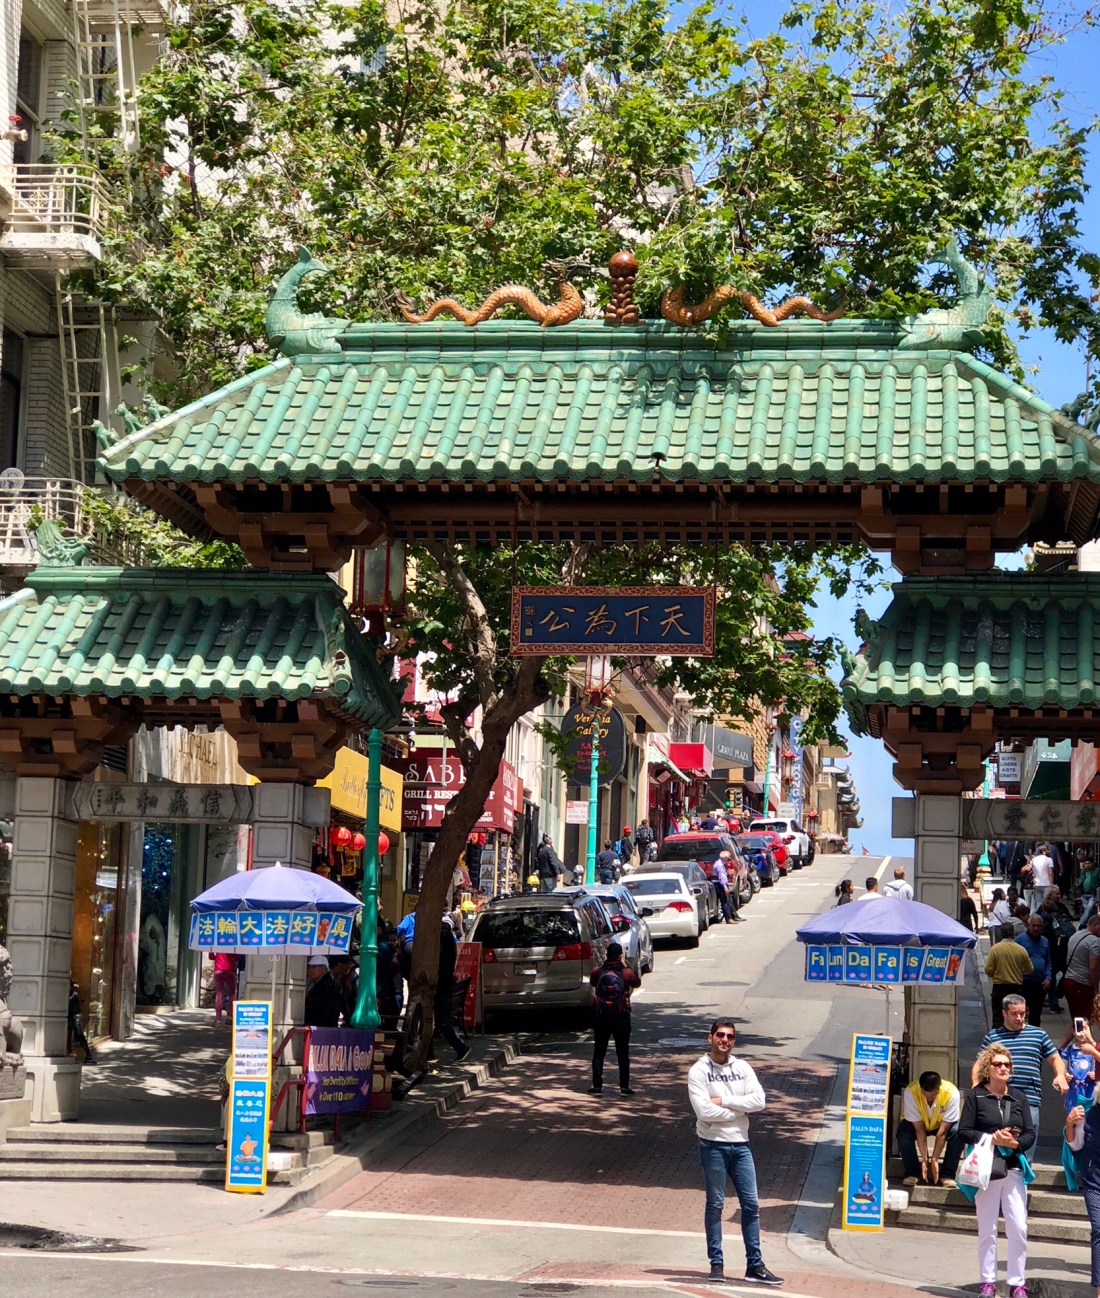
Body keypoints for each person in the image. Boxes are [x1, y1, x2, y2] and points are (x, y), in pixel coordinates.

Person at [688, 1018, 783, 1287]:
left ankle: (755, 1266)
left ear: (734, 1041)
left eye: (730, 1036)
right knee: (715, 1204)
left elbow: (759, 1101)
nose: (725, 1040)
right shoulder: (698, 1071)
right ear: (710, 1038)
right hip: (712, 1145)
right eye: (720, 1035)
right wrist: (739, 1111)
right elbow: (703, 1111)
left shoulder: (742, 1067)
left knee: (751, 1205)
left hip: (741, 1145)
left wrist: (724, 1101)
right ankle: (716, 1264)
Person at [960, 1043, 1036, 1298]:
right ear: (988, 1068)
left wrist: (1014, 1143)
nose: (1003, 1068)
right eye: (998, 1064)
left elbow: (1030, 1133)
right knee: (987, 1229)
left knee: (1019, 1227)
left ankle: (1017, 1283)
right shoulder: (976, 1096)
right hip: (987, 1170)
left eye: (1007, 1064)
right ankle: (988, 1282)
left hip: (1013, 1168)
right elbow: (964, 1131)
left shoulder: (1019, 1097)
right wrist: (991, 1139)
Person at [976, 993, 1069, 1132]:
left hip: (1029, 1101)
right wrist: (976, 1092)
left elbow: (1055, 1058)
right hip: (999, 1100)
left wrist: (1060, 1075)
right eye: (1014, 1014)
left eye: (1022, 1013)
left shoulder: (1038, 1034)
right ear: (1004, 1013)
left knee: (1026, 1143)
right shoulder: (993, 1036)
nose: (1019, 1018)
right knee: (997, 1144)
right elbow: (979, 1066)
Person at [588, 940, 641, 1096]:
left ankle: (597, 1086)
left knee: (599, 1051)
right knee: (622, 1052)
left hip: (601, 1016)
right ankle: (624, 1087)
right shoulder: (626, 973)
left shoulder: (598, 971)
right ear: (619, 956)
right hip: (621, 1016)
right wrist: (625, 965)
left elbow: (593, 983)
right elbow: (637, 983)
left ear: (607, 955)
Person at [897, 1071, 962, 1187]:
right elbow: (919, 1129)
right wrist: (925, 1160)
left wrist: (935, 1159)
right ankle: (912, 1173)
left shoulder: (952, 1093)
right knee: (903, 1133)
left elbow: (943, 1131)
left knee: (958, 1132)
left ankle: (947, 1175)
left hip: (941, 1125)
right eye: (925, 1094)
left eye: (933, 1095)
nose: (929, 1098)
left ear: (939, 1089)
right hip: (919, 1124)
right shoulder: (911, 1091)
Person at [434, 916, 471, 1062]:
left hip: (442, 987)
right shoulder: (449, 943)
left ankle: (460, 1047)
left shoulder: (445, 943)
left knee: (442, 1021)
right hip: (445, 986)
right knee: (440, 1021)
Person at [986, 926, 1033, 1028]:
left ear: (1001, 934)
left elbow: (988, 969)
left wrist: (995, 975)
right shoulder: (1021, 950)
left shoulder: (995, 949)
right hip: (1016, 987)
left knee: (998, 1015)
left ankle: (998, 1035)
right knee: (1015, 1014)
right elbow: (1030, 969)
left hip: (999, 986)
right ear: (1013, 933)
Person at [1040, 886, 1076, 1011]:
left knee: (1051, 975)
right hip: (1062, 947)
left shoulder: (1044, 913)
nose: (1059, 896)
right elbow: (1070, 921)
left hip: (1053, 948)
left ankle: (1052, 1000)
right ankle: (1055, 998)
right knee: (1065, 973)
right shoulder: (1061, 909)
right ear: (1049, 895)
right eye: (1057, 894)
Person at [1016, 914, 1052, 1027]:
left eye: (1039, 926)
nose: (1036, 928)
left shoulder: (1045, 941)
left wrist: (1048, 977)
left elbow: (1048, 962)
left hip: (1040, 983)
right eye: (1034, 925)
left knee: (1036, 1015)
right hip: (1024, 982)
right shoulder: (1020, 940)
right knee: (1019, 1013)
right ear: (1028, 925)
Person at [1065, 915, 1100, 1023]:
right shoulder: (1095, 942)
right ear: (1096, 926)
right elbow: (1093, 968)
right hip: (1083, 984)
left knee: (1076, 1019)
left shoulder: (1075, 935)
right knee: (1083, 1020)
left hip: (1069, 980)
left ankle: (1075, 1033)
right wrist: (1096, 988)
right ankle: (1080, 1034)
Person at [304, 955, 343, 1028]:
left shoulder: (327, 987)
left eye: (314, 967)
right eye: (309, 967)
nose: (310, 970)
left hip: (321, 1029)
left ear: (323, 969)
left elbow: (327, 1013)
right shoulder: (318, 985)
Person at [67, 979, 96, 1064]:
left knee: (79, 1035)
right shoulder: (69, 994)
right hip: (69, 1016)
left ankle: (88, 1054)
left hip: (76, 1016)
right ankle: (70, 1052)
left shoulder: (74, 995)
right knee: (68, 1036)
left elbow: (68, 1002)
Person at [1023, 842, 1055, 914]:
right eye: (1047, 850)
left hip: (1037, 884)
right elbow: (1050, 873)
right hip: (1047, 884)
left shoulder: (1034, 859)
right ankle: (1046, 914)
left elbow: (1029, 869)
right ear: (1043, 851)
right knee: (1047, 901)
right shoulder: (1049, 860)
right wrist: (1052, 884)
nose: (1049, 851)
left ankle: (1040, 915)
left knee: (1039, 902)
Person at [209, 950, 239, 1028]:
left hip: (218, 969)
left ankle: (218, 1019)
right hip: (230, 970)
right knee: (232, 993)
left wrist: (217, 957)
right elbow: (237, 957)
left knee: (219, 994)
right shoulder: (233, 945)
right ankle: (229, 1016)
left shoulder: (216, 945)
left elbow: (211, 957)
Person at [330, 953, 360, 1025]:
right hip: (349, 1017)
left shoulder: (356, 973)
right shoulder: (343, 977)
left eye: (334, 968)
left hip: (356, 1016)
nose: (334, 971)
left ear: (339, 965)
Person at [712, 851, 733, 924]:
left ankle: (728, 918)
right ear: (725, 858)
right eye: (728, 857)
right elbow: (721, 877)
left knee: (724, 901)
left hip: (720, 883)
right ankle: (728, 919)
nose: (729, 859)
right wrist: (725, 887)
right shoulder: (720, 865)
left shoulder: (720, 864)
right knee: (725, 902)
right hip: (720, 884)